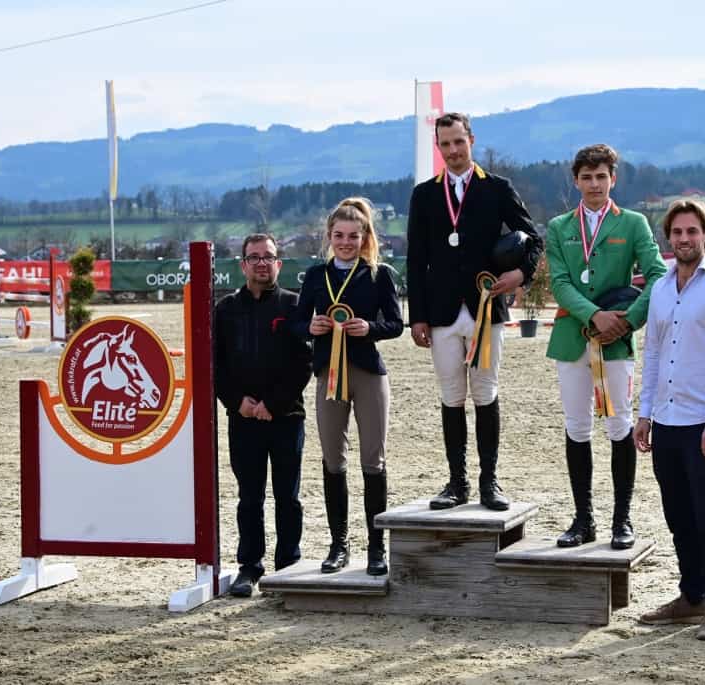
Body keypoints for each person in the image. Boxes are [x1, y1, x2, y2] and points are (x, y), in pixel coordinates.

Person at [406, 112, 543, 511]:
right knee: (452, 396)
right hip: (442, 311)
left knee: (485, 393)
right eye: (445, 144)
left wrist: (521, 273)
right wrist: (417, 315)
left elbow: (532, 238)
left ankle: (489, 481)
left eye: (458, 142)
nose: (452, 151)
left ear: (471, 140)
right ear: (438, 146)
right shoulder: (425, 194)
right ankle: (457, 481)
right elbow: (415, 259)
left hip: (487, 307)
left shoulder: (497, 188)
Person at [633, 198, 705, 641]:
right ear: (669, 238)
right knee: (678, 516)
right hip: (666, 421)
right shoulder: (661, 289)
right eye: (677, 233)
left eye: (692, 231)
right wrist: (644, 413)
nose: (684, 239)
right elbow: (655, 352)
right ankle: (691, 595)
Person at [546, 144, 666, 550]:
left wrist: (628, 320)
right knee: (577, 427)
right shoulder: (560, 227)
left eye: (601, 177)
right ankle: (583, 519)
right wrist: (593, 315)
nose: (594, 184)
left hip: (616, 341)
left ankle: (622, 519)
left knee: (619, 426)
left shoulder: (633, 224)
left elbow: (656, 275)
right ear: (576, 180)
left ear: (613, 179)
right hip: (572, 339)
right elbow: (560, 283)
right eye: (586, 177)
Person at [292, 198, 403, 576]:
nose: (345, 242)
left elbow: (395, 323)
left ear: (364, 236)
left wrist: (369, 327)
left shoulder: (379, 274)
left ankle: (377, 546)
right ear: (329, 237)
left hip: (368, 373)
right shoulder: (314, 275)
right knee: (332, 459)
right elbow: (295, 322)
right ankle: (338, 544)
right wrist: (310, 328)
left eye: (353, 236)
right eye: (339, 236)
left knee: (374, 459)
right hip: (327, 374)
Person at [215, 233, 314, 597]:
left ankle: (287, 565)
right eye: (253, 257)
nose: (261, 263)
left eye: (267, 257)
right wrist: (237, 401)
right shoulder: (225, 309)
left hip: (286, 418)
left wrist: (273, 405)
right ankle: (249, 567)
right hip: (242, 420)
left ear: (278, 264)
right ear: (242, 265)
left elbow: (304, 364)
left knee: (288, 497)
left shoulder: (295, 306)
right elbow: (216, 365)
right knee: (249, 497)